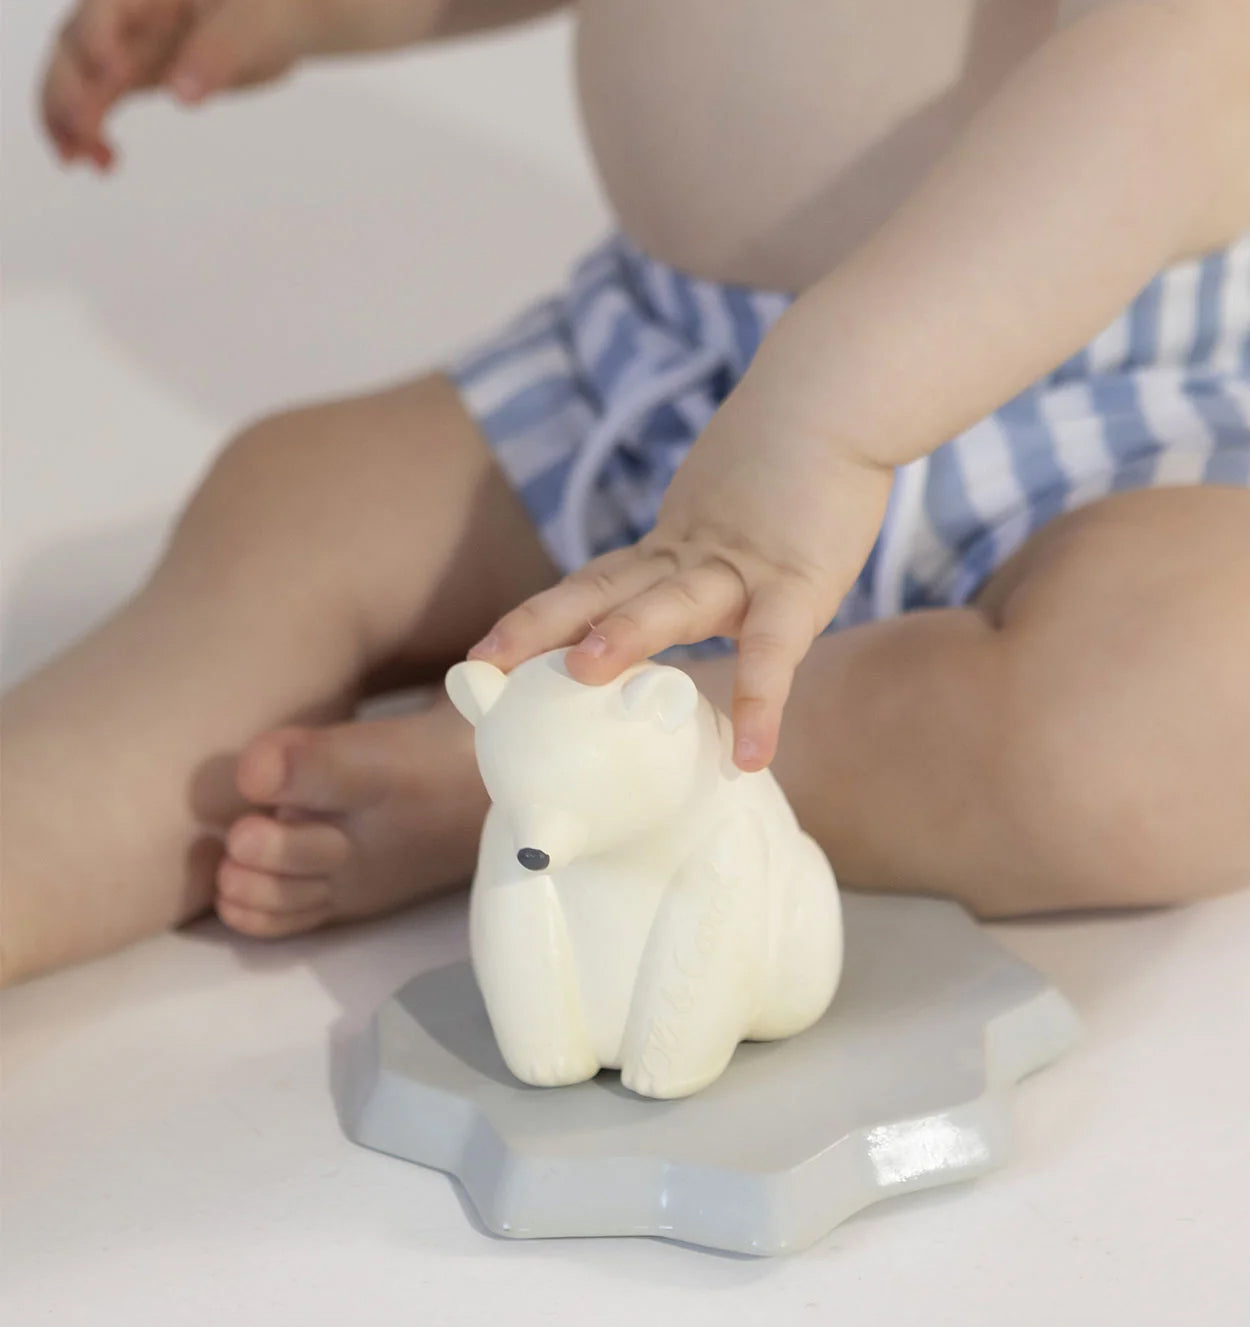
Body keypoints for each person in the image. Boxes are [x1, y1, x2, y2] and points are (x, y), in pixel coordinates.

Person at [5, 0, 1249, 986]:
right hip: (666, 379)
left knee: (1183, 699)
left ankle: (563, 778)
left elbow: (1176, 71)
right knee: (298, 502)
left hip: (1094, 407)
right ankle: (41, 831)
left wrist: (827, 421)